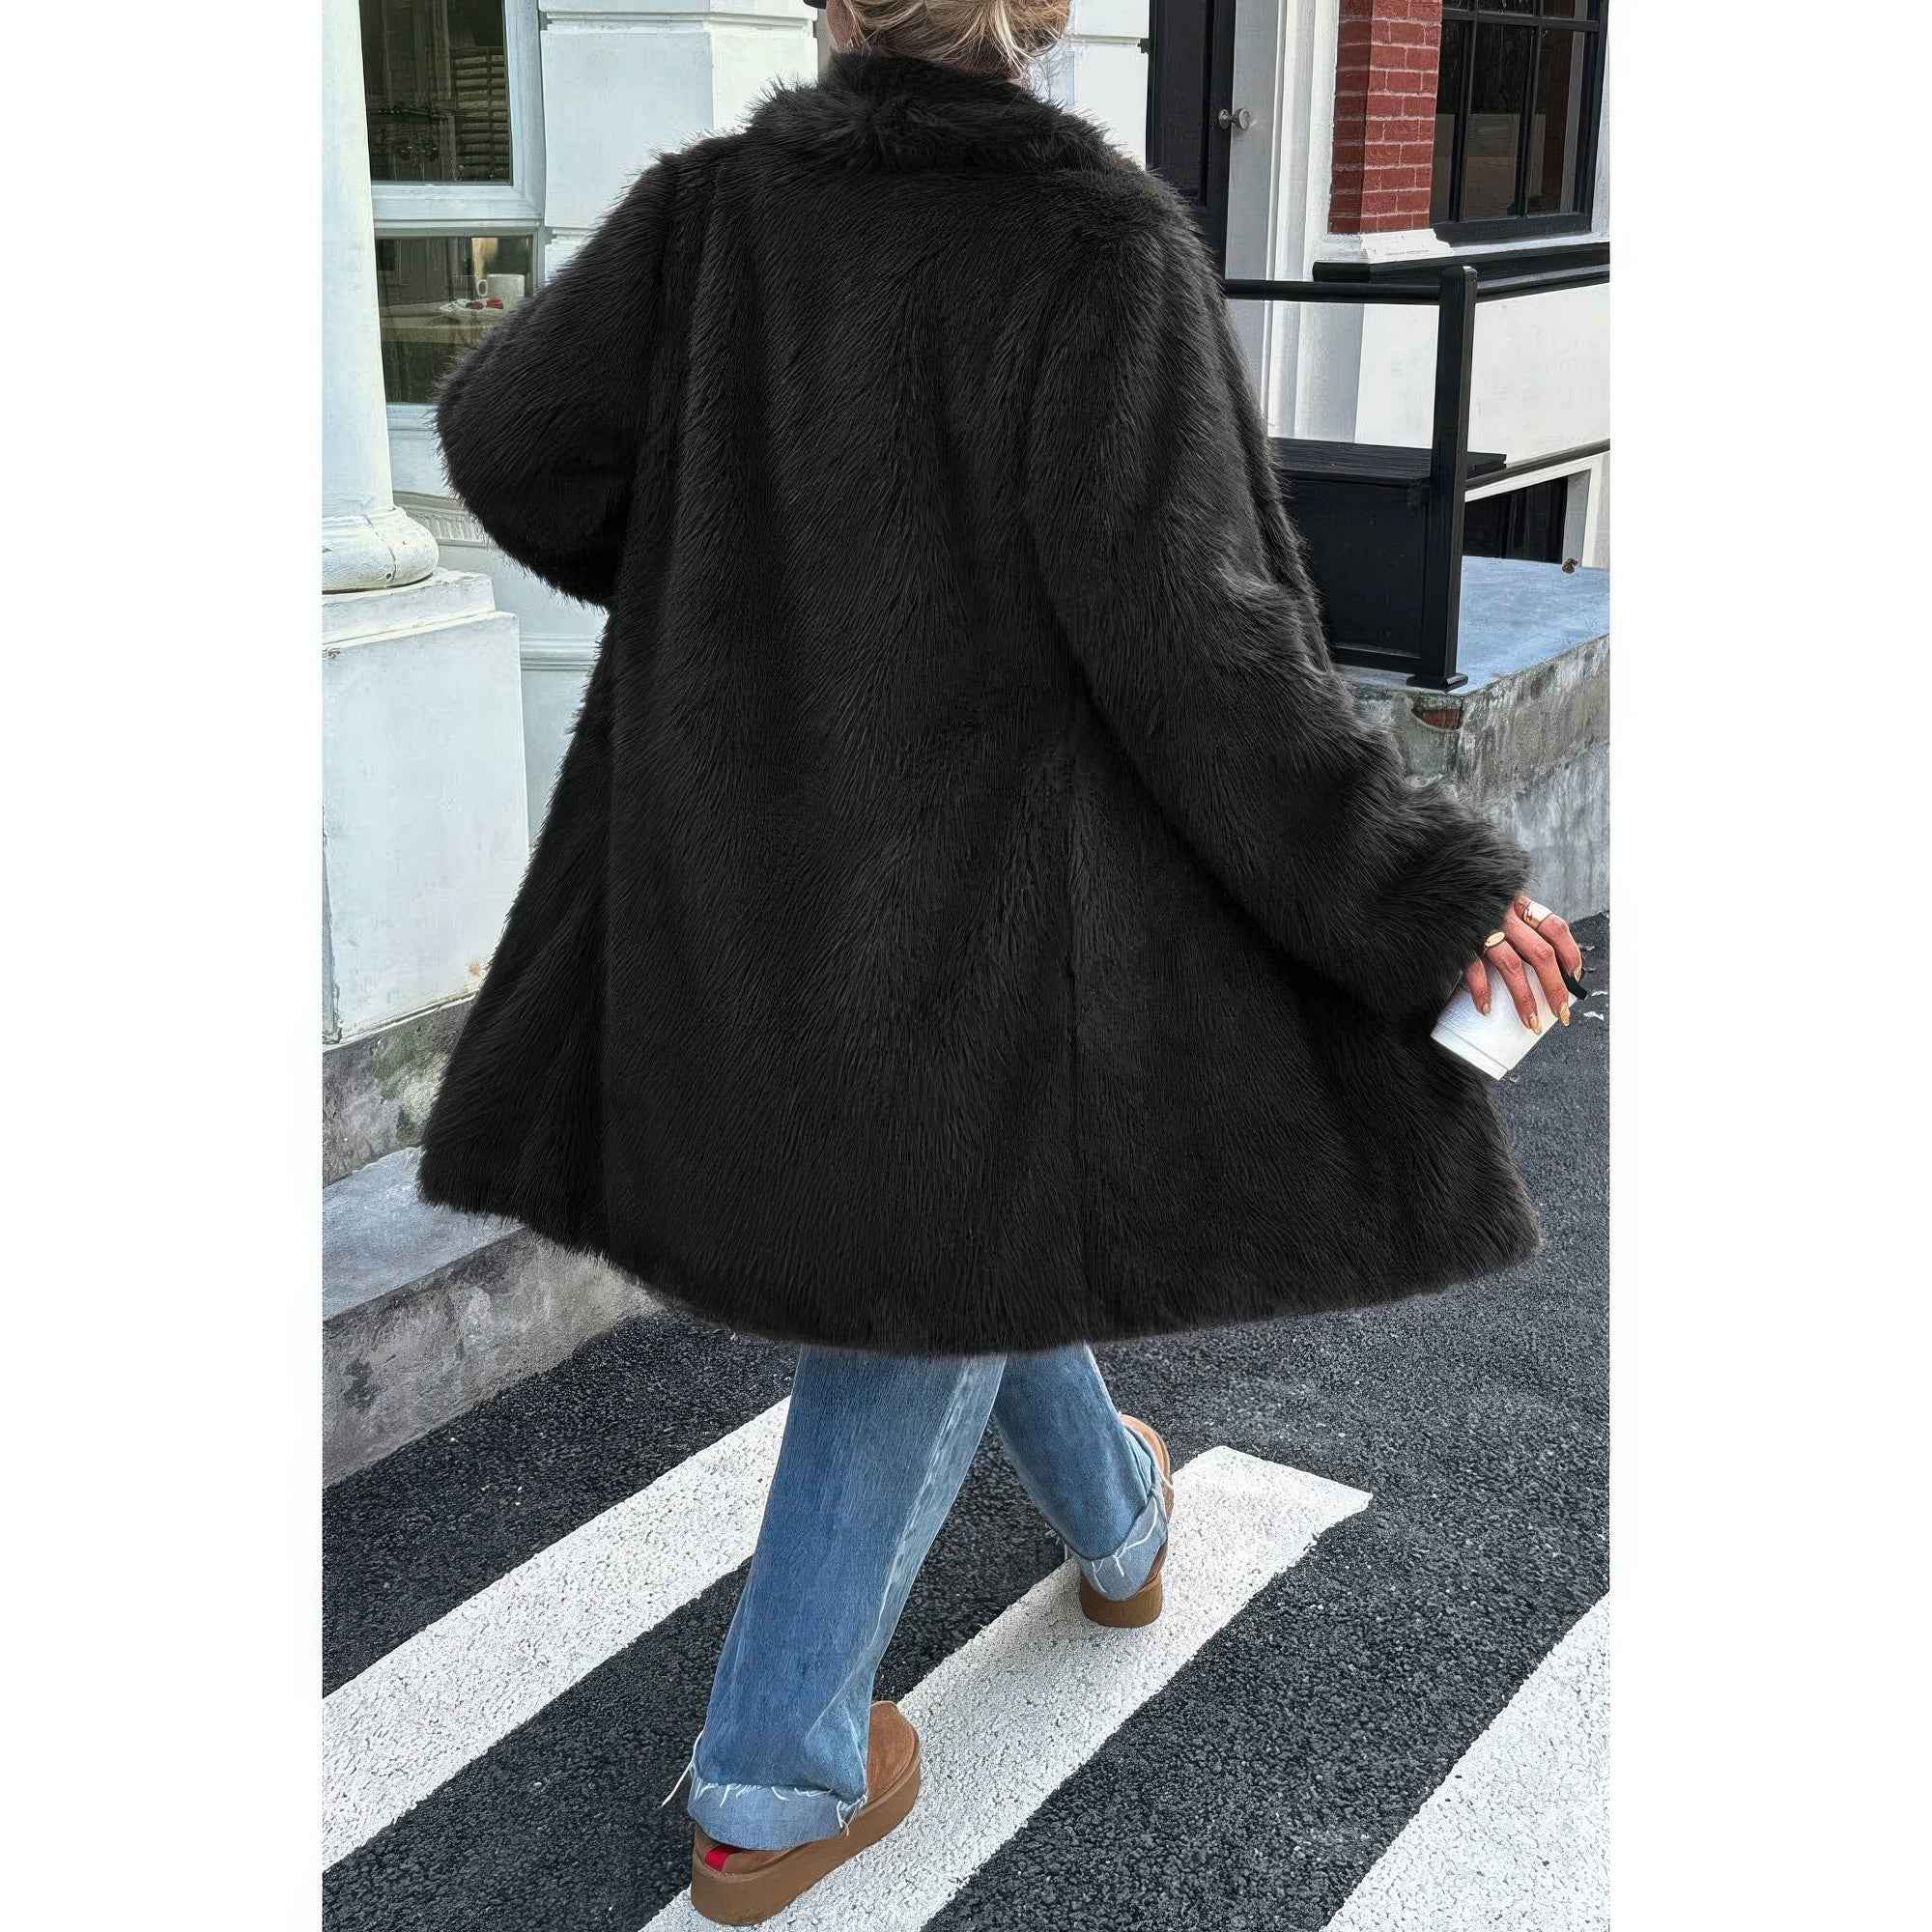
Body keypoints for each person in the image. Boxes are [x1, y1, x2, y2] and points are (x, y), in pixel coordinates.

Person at [416, 0, 1585, 1919]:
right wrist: (1419, 885)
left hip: (752, 879)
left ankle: (1117, 1519)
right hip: (985, 921)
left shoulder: (710, 216)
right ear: (1035, 18)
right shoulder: (1091, 244)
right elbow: (1207, 651)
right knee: (931, 1256)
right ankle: (776, 1774)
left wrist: (738, 580)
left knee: (959, 1224)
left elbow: (508, 441)